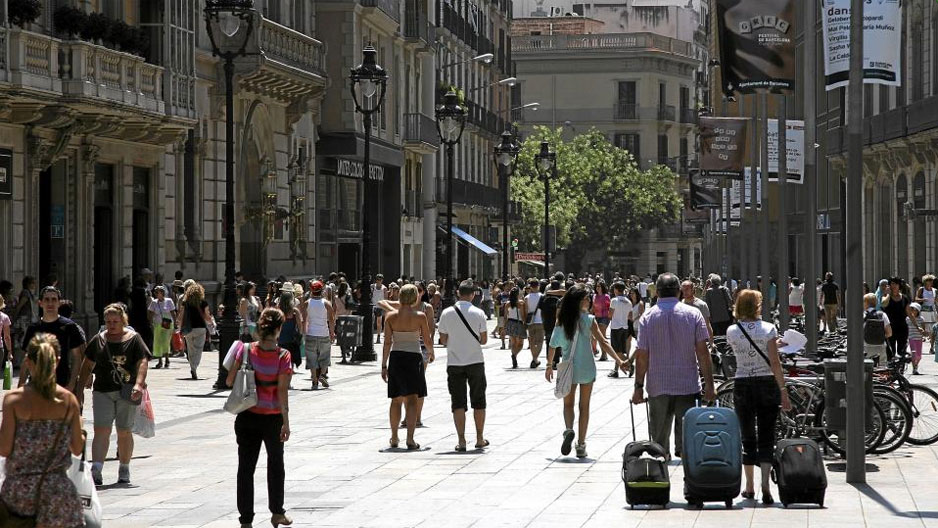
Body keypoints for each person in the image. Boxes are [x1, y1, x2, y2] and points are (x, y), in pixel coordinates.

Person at [0, 333, 85, 527]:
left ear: (28, 362)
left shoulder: (14, 401)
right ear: (58, 361)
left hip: (20, 494)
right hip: (59, 494)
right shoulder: (68, 400)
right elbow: (77, 448)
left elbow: (4, 449)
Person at [631, 273, 715, 460]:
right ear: (678, 292)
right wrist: (710, 384)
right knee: (688, 443)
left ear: (657, 293)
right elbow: (703, 352)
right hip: (687, 385)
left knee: (658, 445)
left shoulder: (647, 318)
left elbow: (642, 356)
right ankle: (689, 480)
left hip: (658, 386)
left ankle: (661, 474)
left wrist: (638, 387)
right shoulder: (693, 314)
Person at [226, 308, 293, 528]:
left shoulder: (244, 350)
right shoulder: (283, 356)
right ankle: (277, 513)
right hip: (272, 418)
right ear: (279, 329)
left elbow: (228, 381)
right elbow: (282, 391)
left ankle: (246, 521)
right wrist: (286, 421)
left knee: (245, 468)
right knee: (276, 465)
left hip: (247, 416)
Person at [725, 289, 791, 505]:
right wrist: (783, 391)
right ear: (757, 306)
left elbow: (743, 350)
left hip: (742, 382)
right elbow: (774, 362)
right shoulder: (769, 329)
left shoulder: (731, 331)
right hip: (767, 383)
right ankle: (765, 486)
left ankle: (749, 486)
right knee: (767, 435)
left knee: (747, 436)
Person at [545, 284, 624, 458]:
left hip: (568, 368)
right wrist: (619, 360)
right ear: (579, 301)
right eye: (587, 298)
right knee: (584, 406)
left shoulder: (563, 320)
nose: (590, 300)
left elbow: (552, 345)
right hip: (587, 366)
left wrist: (549, 366)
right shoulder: (589, 320)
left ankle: (568, 430)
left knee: (567, 404)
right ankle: (581, 444)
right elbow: (603, 342)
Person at [76, 303, 150, 485]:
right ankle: (97, 469)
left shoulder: (134, 339)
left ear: (123, 320)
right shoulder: (99, 340)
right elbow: (87, 364)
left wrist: (139, 384)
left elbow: (142, 362)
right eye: (108, 321)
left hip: (127, 391)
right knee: (101, 429)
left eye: (115, 321)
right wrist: (79, 389)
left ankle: (124, 468)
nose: (111, 325)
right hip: (103, 390)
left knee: (124, 431)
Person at [437, 280, 489, 451]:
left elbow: (443, 340)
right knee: (479, 400)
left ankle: (461, 440)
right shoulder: (479, 313)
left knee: (458, 402)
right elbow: (484, 340)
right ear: (473, 294)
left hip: (454, 363)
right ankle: (480, 438)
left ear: (458, 293)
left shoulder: (446, 313)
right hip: (475, 361)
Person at [381, 284, 433, 450]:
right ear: (414, 297)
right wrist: (431, 353)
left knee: (395, 399)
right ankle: (410, 439)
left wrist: (384, 364)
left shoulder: (390, 317)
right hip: (414, 357)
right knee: (412, 399)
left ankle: (394, 436)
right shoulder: (420, 316)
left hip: (396, 357)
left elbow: (387, 342)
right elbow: (426, 339)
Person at [19, 286, 85, 391]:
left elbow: (77, 357)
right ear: (40, 303)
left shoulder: (69, 326)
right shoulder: (33, 328)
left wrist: (72, 384)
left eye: (54, 299)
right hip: (37, 384)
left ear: (59, 303)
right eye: (47, 299)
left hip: (62, 383)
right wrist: (20, 387)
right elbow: (26, 359)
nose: (50, 303)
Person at [301, 281, 335, 390]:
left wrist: (303, 333)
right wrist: (332, 333)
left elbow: (304, 320)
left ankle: (314, 381)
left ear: (311, 290)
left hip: (311, 333)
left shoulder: (307, 303)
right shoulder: (326, 303)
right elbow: (331, 320)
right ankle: (322, 374)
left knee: (312, 358)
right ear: (322, 290)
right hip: (323, 333)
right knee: (324, 357)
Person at [176, 282, 211, 380]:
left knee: (191, 350)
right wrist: (211, 321)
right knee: (198, 349)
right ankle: (194, 367)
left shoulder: (185, 302)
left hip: (189, 329)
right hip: (200, 328)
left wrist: (179, 325)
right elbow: (207, 316)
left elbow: (181, 316)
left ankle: (192, 367)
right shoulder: (203, 302)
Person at [276, 288, 304, 379]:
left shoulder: (278, 311)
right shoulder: (294, 311)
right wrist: (300, 336)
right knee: (290, 361)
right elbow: (300, 326)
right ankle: (288, 381)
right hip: (292, 339)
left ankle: (281, 379)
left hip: (281, 338)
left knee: (281, 361)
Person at [607, 282, 633, 379]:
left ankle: (630, 364)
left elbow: (610, 315)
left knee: (616, 351)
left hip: (616, 327)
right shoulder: (628, 301)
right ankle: (616, 370)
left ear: (616, 290)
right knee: (621, 350)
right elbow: (630, 316)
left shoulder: (614, 300)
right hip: (624, 327)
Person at [882, 277, 912, 361]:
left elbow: (909, 313)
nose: (894, 286)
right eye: (892, 284)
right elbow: (883, 304)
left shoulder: (905, 298)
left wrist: (917, 326)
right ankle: (891, 369)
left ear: (899, 285)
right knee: (890, 350)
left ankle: (901, 369)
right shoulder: (885, 297)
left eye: (896, 284)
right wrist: (887, 294)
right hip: (889, 327)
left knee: (902, 350)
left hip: (902, 327)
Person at [148, 285, 176, 369]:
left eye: (158, 292)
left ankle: (167, 359)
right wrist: (150, 323)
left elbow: (173, 312)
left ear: (163, 293)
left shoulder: (169, 301)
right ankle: (160, 361)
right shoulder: (154, 302)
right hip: (157, 324)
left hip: (167, 324)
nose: (157, 294)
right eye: (156, 292)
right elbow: (150, 313)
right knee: (157, 342)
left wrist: (175, 322)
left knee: (166, 341)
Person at [681, 280, 713, 347]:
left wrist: (711, 342)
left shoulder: (702, 305)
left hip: (698, 341)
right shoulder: (680, 304)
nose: (684, 292)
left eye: (687, 289)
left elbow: (707, 324)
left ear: (693, 290)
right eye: (683, 290)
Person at [504, 288, 527, 369]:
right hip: (519, 323)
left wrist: (504, 327)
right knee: (520, 343)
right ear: (517, 294)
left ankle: (514, 358)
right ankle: (514, 355)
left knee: (513, 343)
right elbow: (523, 316)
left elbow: (505, 316)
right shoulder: (520, 303)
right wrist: (525, 324)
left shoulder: (507, 304)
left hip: (510, 323)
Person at [525, 279, 545, 368]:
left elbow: (525, 311)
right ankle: (535, 358)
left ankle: (534, 358)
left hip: (530, 322)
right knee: (540, 341)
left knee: (532, 341)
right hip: (540, 321)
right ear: (538, 286)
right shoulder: (542, 296)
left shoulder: (526, 298)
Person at [591, 281, 611, 360]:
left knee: (602, 336)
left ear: (602, 287)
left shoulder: (606, 296)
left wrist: (609, 317)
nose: (598, 288)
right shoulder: (594, 296)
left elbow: (609, 307)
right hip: (596, 317)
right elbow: (593, 307)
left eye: (599, 286)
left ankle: (604, 354)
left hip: (604, 317)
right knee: (596, 336)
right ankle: (599, 351)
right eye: (597, 286)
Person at [908, 303, 927, 375]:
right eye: (912, 309)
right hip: (911, 338)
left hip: (918, 338)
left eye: (915, 310)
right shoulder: (908, 318)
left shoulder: (921, 319)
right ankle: (914, 368)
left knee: (919, 356)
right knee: (913, 353)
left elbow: (924, 330)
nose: (913, 311)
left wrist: (923, 333)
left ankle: (916, 365)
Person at [373, 274, 388, 344]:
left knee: (379, 322)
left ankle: (378, 337)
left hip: (380, 307)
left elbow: (386, 299)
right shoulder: (372, 287)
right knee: (372, 322)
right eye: (378, 279)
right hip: (373, 306)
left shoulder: (384, 288)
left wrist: (385, 308)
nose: (379, 281)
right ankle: (371, 337)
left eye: (380, 279)